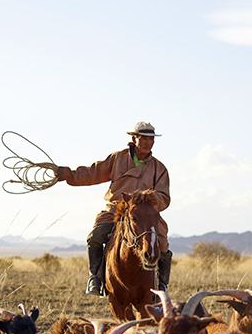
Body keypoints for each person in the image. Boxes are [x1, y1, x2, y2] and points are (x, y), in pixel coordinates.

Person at [55, 121, 172, 296]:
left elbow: (164, 197)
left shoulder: (159, 168)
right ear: (134, 138)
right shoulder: (117, 159)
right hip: (116, 210)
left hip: (145, 215)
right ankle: (95, 277)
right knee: (95, 237)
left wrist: (146, 201)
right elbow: (93, 173)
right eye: (144, 139)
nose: (148, 143)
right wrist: (68, 175)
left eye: (151, 139)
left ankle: (162, 285)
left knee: (162, 243)